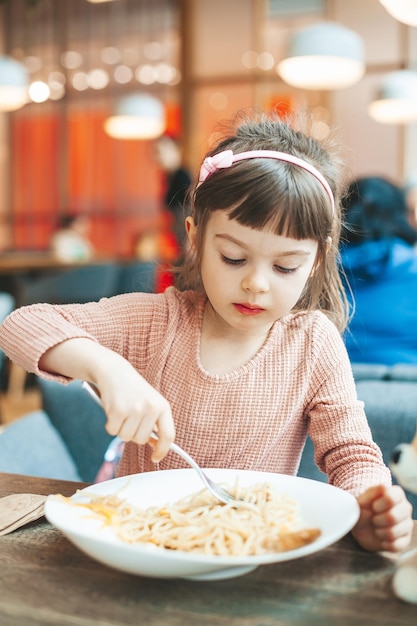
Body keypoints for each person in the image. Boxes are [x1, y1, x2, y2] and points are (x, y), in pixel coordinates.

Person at [0, 111, 412, 554]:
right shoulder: (158, 321)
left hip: (256, 549)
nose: (257, 283)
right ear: (195, 238)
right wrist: (105, 366)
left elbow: (351, 456)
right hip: (144, 546)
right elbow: (20, 323)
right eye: (234, 258)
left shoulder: (313, 343)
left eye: (285, 266)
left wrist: (368, 504)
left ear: (316, 259)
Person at [340, 175, 417, 364]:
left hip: (336, 383)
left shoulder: (316, 270)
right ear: (401, 215)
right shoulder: (412, 266)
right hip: (408, 382)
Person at [154, 134, 191, 253]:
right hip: (179, 237)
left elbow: (191, 212)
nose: (159, 156)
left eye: (163, 150)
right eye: (156, 152)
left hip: (187, 239)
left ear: (177, 149)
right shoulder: (168, 178)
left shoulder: (183, 177)